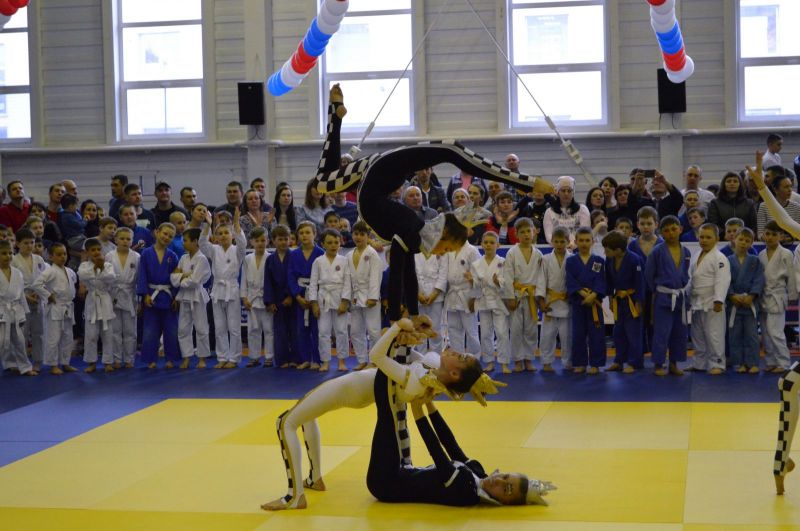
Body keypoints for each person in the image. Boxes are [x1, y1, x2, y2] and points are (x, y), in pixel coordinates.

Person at [312, 85, 553, 324]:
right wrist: (401, 318)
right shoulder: (411, 230)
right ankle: (525, 182)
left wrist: (407, 316)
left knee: (323, 182)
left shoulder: (411, 232)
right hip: (378, 176)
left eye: (446, 249)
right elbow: (402, 273)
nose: (443, 253)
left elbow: (403, 272)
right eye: (446, 249)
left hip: (377, 173)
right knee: (450, 148)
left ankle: (335, 113)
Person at [261, 318, 487, 511]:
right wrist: (410, 335)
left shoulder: (419, 382)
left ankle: (294, 496)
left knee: (286, 422)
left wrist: (397, 328)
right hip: (363, 387)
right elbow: (404, 357)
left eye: (461, 357)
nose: (456, 351)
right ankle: (315, 478)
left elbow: (377, 355)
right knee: (307, 412)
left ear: (454, 373)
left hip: (353, 388)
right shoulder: (431, 376)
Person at [366, 336, 553, 507]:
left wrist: (417, 410)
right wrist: (428, 403)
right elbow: (450, 444)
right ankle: (397, 343)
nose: (498, 481)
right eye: (505, 477)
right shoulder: (478, 472)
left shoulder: (466, 493)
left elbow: (437, 453)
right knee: (397, 409)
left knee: (387, 409)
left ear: (503, 502)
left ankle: (385, 348)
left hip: (386, 482)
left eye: (506, 489)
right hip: (404, 468)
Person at [200, 208, 246, 369]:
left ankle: (234, 358)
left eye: (227, 233)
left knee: (234, 327)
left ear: (232, 235)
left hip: (231, 289)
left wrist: (236, 223)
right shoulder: (214, 250)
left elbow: (243, 243)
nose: (224, 236)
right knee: (219, 327)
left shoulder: (237, 251)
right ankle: (222, 357)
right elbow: (202, 243)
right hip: (217, 290)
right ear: (216, 237)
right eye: (220, 234)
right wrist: (208, 224)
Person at [644, 216, 689, 377]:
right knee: (661, 332)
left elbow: (686, 274)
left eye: (674, 229)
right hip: (663, 297)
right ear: (661, 233)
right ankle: (658, 364)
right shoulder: (656, 252)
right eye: (667, 230)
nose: (671, 233)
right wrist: (659, 290)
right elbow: (649, 275)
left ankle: (674, 364)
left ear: (680, 229)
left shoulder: (686, 251)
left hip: (680, 297)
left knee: (679, 333)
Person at [687, 224, 731, 375]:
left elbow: (722, 280)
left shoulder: (720, 258)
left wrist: (719, 300)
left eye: (708, 237)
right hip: (697, 302)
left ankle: (717, 363)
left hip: (713, 303)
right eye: (701, 237)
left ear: (717, 239)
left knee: (714, 335)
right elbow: (691, 278)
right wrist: (687, 296)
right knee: (697, 335)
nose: (704, 240)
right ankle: (699, 363)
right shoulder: (696, 255)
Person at [137, 223, 180, 370]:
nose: (166, 237)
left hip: (168, 296)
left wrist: (175, 296)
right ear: (157, 232)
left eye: (170, 236)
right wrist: (145, 295)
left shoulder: (172, 256)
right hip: (152, 296)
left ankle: (171, 358)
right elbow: (142, 275)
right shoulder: (146, 253)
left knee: (171, 329)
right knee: (150, 329)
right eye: (165, 233)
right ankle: (151, 359)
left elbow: (175, 278)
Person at [504, 217, 543, 372]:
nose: (526, 234)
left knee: (531, 329)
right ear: (516, 234)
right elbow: (507, 277)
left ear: (534, 232)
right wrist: (510, 298)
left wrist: (540, 296)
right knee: (515, 329)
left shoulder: (538, 254)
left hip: (532, 295)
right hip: (516, 295)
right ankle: (518, 360)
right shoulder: (512, 253)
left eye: (528, 231)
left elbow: (541, 277)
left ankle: (529, 359)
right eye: (522, 232)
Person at [565, 227, 606, 374]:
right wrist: (583, 294)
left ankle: (596, 364)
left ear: (593, 242)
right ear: (575, 242)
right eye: (581, 240)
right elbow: (570, 280)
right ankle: (580, 363)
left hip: (594, 303)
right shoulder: (571, 261)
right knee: (578, 334)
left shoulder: (599, 261)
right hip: (579, 303)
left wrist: (593, 295)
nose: (584, 243)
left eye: (587, 240)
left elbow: (601, 280)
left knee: (597, 334)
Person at [32, 243, 77, 375]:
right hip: (55, 307)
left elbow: (71, 287)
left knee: (67, 337)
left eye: (64, 254)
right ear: (51, 257)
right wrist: (48, 295)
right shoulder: (50, 271)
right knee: (53, 337)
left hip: (67, 307)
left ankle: (65, 363)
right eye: (58, 254)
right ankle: (53, 365)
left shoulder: (70, 271)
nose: (62, 257)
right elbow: (36, 284)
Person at [602, 230, 644, 373]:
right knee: (618, 332)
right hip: (618, 300)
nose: (605, 252)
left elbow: (640, 282)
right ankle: (619, 361)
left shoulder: (634, 259)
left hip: (632, 300)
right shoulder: (609, 259)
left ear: (618, 250)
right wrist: (609, 298)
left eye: (607, 250)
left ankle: (634, 362)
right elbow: (608, 280)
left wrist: (639, 302)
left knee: (633, 333)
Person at [170, 228, 212, 369]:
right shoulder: (183, 258)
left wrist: (181, 278)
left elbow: (195, 281)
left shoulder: (202, 259)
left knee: (201, 328)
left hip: (197, 296)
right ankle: (186, 357)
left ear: (195, 241)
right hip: (184, 296)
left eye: (186, 240)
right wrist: (184, 275)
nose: (183, 243)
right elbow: (172, 278)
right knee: (183, 329)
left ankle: (202, 358)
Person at [309, 228, 350, 372]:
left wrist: (345, 301)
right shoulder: (318, 261)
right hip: (323, 298)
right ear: (323, 244)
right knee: (323, 332)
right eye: (329, 242)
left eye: (336, 242)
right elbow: (313, 284)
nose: (333, 245)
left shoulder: (344, 261)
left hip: (339, 296)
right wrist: (314, 303)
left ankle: (342, 361)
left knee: (341, 331)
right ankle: (325, 361)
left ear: (340, 243)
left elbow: (347, 282)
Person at [758, 221, 795, 373]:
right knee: (766, 332)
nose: (770, 237)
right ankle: (771, 361)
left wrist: (792, 295)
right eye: (767, 234)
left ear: (781, 236)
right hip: (763, 296)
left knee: (776, 332)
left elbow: (791, 277)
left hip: (777, 296)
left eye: (774, 234)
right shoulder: (761, 254)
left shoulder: (786, 253)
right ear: (763, 235)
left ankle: (783, 362)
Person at [726, 227, 764, 374]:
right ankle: (741, 363)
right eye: (740, 239)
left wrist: (752, 296)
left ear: (751, 243)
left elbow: (759, 280)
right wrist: (731, 295)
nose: (743, 243)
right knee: (735, 335)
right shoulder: (728, 260)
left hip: (750, 304)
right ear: (734, 239)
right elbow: (725, 280)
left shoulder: (755, 261)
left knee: (752, 335)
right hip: (734, 304)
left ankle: (753, 362)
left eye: (747, 241)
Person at [471, 231, 510, 373]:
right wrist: (472, 281)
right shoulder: (476, 264)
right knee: (485, 333)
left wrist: (498, 282)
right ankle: (489, 362)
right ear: (481, 244)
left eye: (492, 242)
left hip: (498, 301)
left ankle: (504, 362)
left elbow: (507, 282)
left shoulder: (503, 262)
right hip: (483, 301)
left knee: (502, 332)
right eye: (486, 242)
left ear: (498, 245)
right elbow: (475, 286)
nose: (488, 245)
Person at [346, 221, 382, 371]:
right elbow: (347, 278)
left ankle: (374, 360)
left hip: (370, 296)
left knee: (373, 330)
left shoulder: (372, 254)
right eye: (356, 234)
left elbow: (375, 276)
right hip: (355, 296)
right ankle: (361, 359)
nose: (358, 237)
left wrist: (373, 296)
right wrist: (347, 298)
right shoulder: (349, 255)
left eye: (362, 234)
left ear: (368, 236)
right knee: (355, 331)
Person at [288, 221, 324, 369]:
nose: (304, 235)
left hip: (317, 293)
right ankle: (305, 359)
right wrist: (297, 296)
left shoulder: (321, 253)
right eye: (301, 233)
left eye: (308, 232)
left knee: (317, 329)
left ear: (314, 234)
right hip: (301, 293)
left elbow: (325, 275)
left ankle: (317, 359)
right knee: (301, 329)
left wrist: (315, 297)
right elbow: (290, 276)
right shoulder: (293, 254)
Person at [78, 238, 117, 373]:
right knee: (91, 334)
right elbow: (83, 276)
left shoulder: (108, 265)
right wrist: (96, 268)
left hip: (105, 299)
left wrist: (101, 267)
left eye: (98, 250)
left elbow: (111, 278)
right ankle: (92, 362)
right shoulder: (84, 266)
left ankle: (108, 362)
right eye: (93, 250)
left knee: (108, 334)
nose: (96, 252)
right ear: (87, 252)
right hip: (92, 299)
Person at [536, 226, 571, 373]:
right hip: (549, 302)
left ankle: (568, 362)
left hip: (566, 301)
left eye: (562, 241)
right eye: (556, 241)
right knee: (547, 335)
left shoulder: (572, 259)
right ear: (552, 242)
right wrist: (541, 302)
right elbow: (541, 280)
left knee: (567, 336)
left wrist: (572, 295)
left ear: (568, 241)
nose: (559, 244)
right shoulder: (545, 259)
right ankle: (546, 362)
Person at [0, 240, 37, 376]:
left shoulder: (17, 273)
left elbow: (21, 295)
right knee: (2, 341)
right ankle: (9, 363)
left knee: (19, 341)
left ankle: (24, 366)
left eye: (10, 253)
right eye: (4, 253)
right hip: (1, 311)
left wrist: (24, 313)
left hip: (16, 310)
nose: (8, 256)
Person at [13, 228, 47, 372]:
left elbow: (44, 279)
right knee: (22, 334)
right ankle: (22, 363)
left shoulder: (39, 259)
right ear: (17, 244)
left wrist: (39, 292)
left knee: (39, 332)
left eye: (32, 243)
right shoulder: (13, 261)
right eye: (26, 243)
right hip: (21, 300)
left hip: (38, 299)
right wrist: (26, 296)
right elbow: (12, 283)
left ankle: (38, 362)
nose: (29, 246)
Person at [240, 227, 273, 368]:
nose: (260, 243)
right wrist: (244, 297)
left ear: (268, 241)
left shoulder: (271, 257)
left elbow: (274, 281)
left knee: (269, 329)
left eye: (263, 240)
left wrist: (272, 300)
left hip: (266, 298)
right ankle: (254, 357)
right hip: (252, 298)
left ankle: (269, 356)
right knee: (253, 329)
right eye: (257, 240)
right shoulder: (247, 259)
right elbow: (243, 279)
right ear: (251, 242)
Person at [107, 227, 139, 370]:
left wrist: (139, 300)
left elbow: (139, 280)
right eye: (122, 238)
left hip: (130, 294)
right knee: (115, 330)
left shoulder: (137, 257)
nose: (125, 241)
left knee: (130, 330)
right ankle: (116, 359)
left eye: (128, 239)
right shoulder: (109, 256)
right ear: (116, 240)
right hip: (113, 293)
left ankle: (129, 358)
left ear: (132, 241)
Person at [265, 225, 295, 368]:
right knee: (280, 331)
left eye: (286, 239)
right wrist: (269, 301)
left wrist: (291, 295)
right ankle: (282, 360)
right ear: (273, 241)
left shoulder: (294, 256)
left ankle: (295, 359)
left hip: (293, 299)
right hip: (277, 299)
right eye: (280, 239)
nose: (283, 242)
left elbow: (295, 278)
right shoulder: (270, 259)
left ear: (290, 240)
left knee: (294, 330)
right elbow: (267, 281)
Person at [444, 236, 480, 356]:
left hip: (467, 294)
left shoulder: (472, 250)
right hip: (452, 294)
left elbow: (479, 276)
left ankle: (473, 359)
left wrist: (474, 298)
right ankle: (457, 358)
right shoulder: (450, 249)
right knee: (453, 329)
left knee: (471, 331)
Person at [543, 176, 590, 245]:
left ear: (573, 193)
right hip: (557, 246)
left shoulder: (583, 209)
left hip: (578, 247)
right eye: (563, 191)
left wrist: (574, 244)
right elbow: (548, 235)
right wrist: (560, 244)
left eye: (569, 191)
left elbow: (585, 231)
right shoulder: (549, 212)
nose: (566, 193)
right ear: (558, 193)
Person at [415, 250, 447, 354]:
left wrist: (435, 294)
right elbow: (410, 274)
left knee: (435, 327)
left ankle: (436, 357)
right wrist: (417, 294)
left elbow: (443, 275)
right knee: (419, 327)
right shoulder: (414, 252)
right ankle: (420, 356)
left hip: (436, 296)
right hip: (418, 295)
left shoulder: (441, 252)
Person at [757, 173, 800, 240]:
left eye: (790, 186)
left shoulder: (797, 207)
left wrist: (787, 239)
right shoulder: (763, 206)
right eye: (786, 187)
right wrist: (773, 238)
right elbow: (760, 234)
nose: (790, 190)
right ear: (776, 189)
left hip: (792, 244)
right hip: (768, 243)